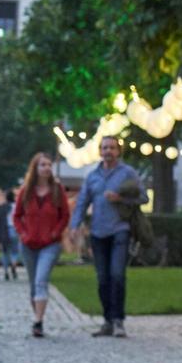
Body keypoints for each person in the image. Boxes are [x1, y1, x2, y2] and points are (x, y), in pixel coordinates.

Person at [70, 136, 142, 337]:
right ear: (100, 151)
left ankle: (119, 320)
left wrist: (121, 198)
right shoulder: (92, 176)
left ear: (118, 151)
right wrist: (74, 225)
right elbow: (82, 202)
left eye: (111, 147)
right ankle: (108, 320)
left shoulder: (128, 173)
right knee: (103, 279)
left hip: (120, 230)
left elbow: (143, 197)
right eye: (104, 148)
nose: (108, 151)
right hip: (98, 232)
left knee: (117, 275)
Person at [12, 153, 70, 337]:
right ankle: (38, 317)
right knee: (33, 285)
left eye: (48, 165)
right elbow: (16, 216)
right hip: (28, 244)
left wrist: (55, 232)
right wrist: (23, 232)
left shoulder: (57, 190)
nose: (46, 168)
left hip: (50, 244)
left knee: (41, 280)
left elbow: (65, 215)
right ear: (35, 168)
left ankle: (37, 322)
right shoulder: (26, 191)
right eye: (42, 165)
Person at [0, 188, 17, 280]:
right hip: (16, 231)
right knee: (15, 252)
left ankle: (6, 271)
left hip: (5, 232)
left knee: (4, 252)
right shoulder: (17, 206)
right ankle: (14, 265)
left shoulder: (2, 207)